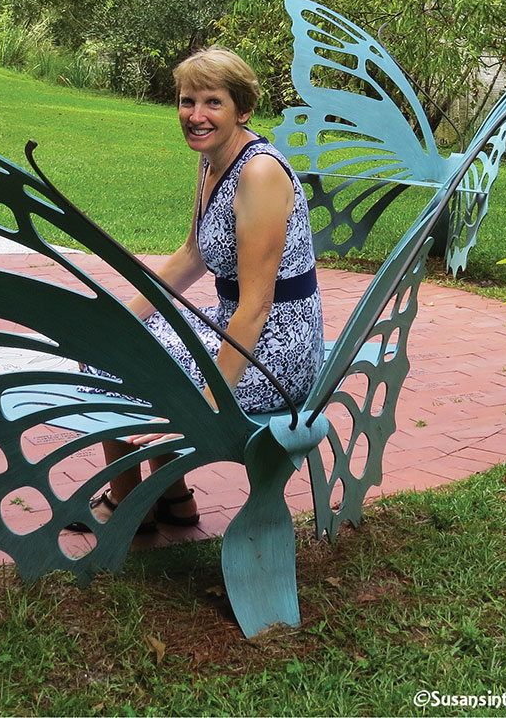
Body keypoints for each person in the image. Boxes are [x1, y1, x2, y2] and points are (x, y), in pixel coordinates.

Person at [70, 47, 324, 532]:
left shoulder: (259, 173)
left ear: (242, 110)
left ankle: (126, 505)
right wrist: (124, 316)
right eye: (188, 101)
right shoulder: (213, 160)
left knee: (125, 360)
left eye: (213, 102)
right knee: (116, 341)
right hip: (242, 330)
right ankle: (174, 499)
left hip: (274, 353)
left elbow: (256, 305)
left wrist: (209, 406)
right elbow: (192, 255)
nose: (196, 115)